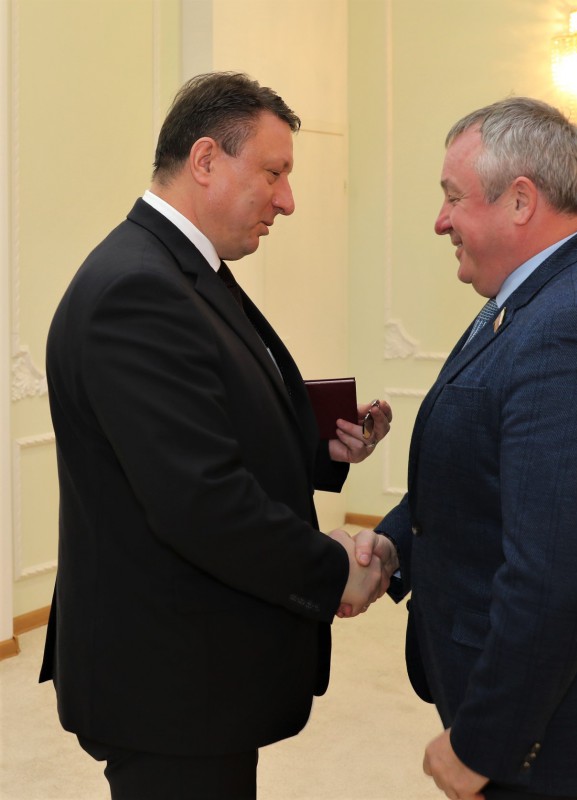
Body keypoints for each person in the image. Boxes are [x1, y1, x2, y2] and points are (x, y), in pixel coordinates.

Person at [39, 71, 392, 800]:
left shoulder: (180, 269)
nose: (287, 201)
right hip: (168, 681)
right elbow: (200, 500)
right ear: (205, 160)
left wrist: (316, 447)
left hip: (194, 669)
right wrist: (334, 571)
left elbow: (206, 423)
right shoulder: (139, 289)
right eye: (274, 173)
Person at [351, 97, 577, 800]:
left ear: (521, 201)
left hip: (543, 724)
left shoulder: (576, 324)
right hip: (517, 690)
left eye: (452, 197)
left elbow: (554, 574)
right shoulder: (537, 296)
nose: (440, 220)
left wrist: (484, 743)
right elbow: (487, 472)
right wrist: (394, 545)